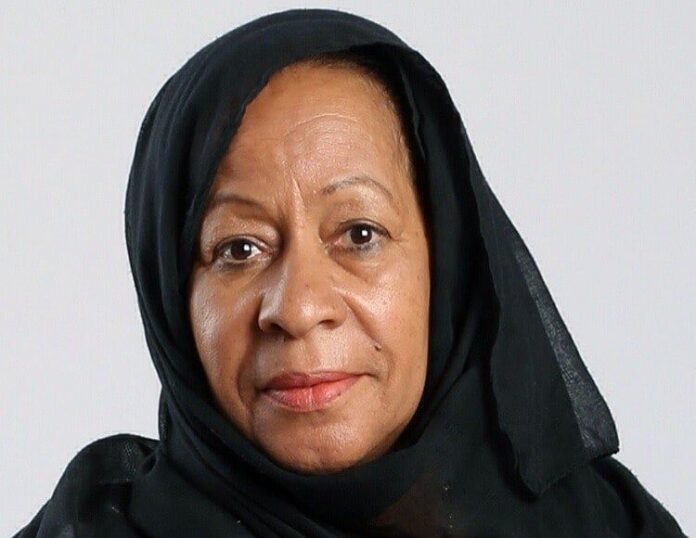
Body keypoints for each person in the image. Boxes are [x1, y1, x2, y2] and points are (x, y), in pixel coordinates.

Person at [14, 8, 686, 537]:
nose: (299, 308)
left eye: (359, 235)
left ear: (447, 265)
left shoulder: (608, 527)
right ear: (172, 296)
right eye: (240, 249)